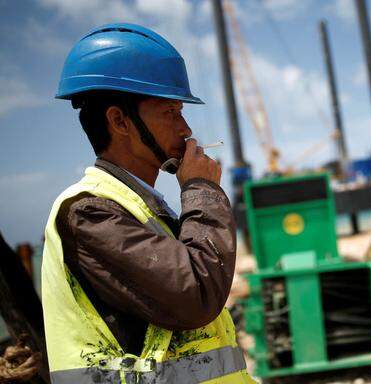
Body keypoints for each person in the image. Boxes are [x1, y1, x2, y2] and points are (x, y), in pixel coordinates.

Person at [41, 23, 255, 383]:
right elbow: (196, 295)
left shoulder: (137, 208)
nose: (185, 128)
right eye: (171, 112)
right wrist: (201, 189)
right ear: (119, 121)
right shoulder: (88, 213)